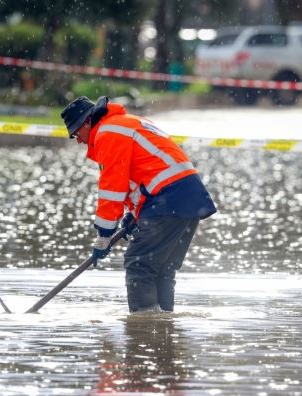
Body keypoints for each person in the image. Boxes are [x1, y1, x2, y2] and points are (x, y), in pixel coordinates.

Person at [61, 96, 216, 312]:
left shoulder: (108, 132)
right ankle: (163, 329)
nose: (78, 140)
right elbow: (143, 174)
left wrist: (103, 236)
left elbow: (112, 186)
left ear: (87, 122)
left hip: (167, 199)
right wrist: (135, 214)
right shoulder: (125, 123)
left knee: (139, 265)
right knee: (162, 269)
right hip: (188, 197)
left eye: (77, 133)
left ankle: (144, 330)